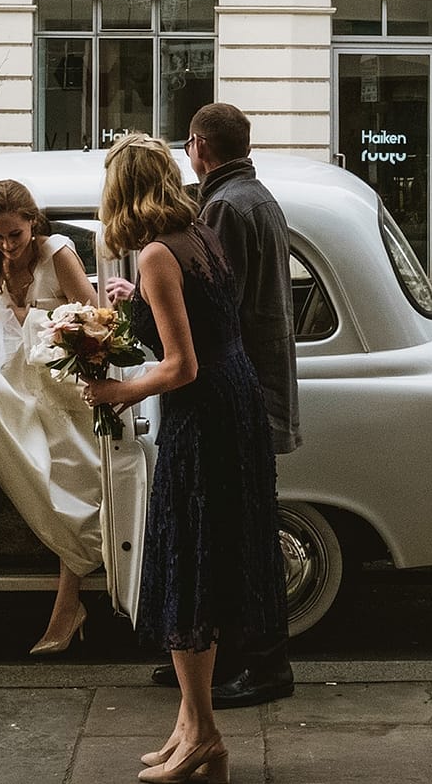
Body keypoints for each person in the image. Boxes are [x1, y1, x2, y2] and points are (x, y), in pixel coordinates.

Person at [82, 134, 283, 784]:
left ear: (120, 190)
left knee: (187, 568)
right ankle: (192, 727)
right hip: (236, 402)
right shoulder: (195, 230)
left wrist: (115, 390)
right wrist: (131, 303)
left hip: (205, 416)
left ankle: (203, 734)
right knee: (203, 566)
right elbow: (196, 326)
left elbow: (179, 364)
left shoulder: (158, 253)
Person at [159, 103, 299, 709]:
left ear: (197, 145)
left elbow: (217, 304)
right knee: (241, 527)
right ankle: (227, 659)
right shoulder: (256, 195)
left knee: (238, 533)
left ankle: (263, 665)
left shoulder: (223, 207)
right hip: (257, 378)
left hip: (237, 385)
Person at [0, 179, 103, 655]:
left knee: (70, 474)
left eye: (15, 235)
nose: (7, 245)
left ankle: (68, 603)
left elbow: (95, 321)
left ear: (34, 222)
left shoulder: (57, 254)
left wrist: (42, 323)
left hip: (62, 388)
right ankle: (70, 601)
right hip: (17, 384)